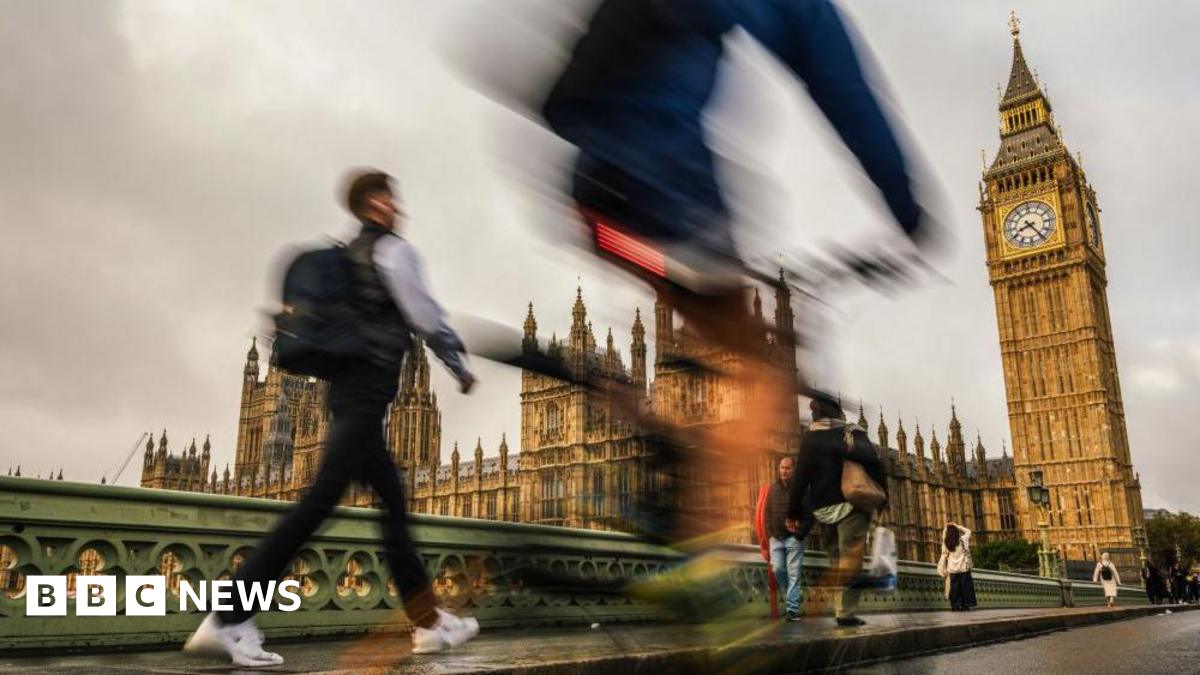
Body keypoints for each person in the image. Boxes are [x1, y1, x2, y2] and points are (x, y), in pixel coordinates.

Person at [184, 170, 480, 667]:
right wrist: (456, 359)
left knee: (394, 509)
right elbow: (424, 312)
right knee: (319, 504)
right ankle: (228, 617)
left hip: (354, 394)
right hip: (364, 396)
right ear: (372, 204)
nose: (395, 205)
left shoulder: (350, 257)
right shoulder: (391, 251)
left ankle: (428, 622)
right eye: (387, 196)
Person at [786, 391, 886, 627]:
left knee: (836, 560)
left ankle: (841, 608)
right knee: (850, 558)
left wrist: (793, 511)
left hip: (824, 509)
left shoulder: (811, 438)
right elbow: (875, 464)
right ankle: (845, 611)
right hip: (853, 503)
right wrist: (883, 498)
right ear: (838, 412)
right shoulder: (851, 432)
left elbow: (800, 477)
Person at [762, 456, 807, 621]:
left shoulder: (801, 489)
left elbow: (809, 512)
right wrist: (769, 532)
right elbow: (767, 512)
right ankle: (792, 596)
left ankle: (792, 610)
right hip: (776, 538)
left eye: (787, 468)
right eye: (781, 467)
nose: (784, 471)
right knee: (778, 570)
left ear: (793, 470)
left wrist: (800, 533)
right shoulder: (773, 489)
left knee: (794, 574)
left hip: (794, 538)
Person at [937, 522, 976, 611]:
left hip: (952, 570)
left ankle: (955, 605)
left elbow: (944, 539)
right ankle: (965, 605)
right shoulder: (963, 540)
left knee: (954, 589)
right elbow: (968, 531)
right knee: (965, 588)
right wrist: (957, 526)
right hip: (963, 568)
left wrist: (946, 528)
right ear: (957, 532)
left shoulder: (946, 543)